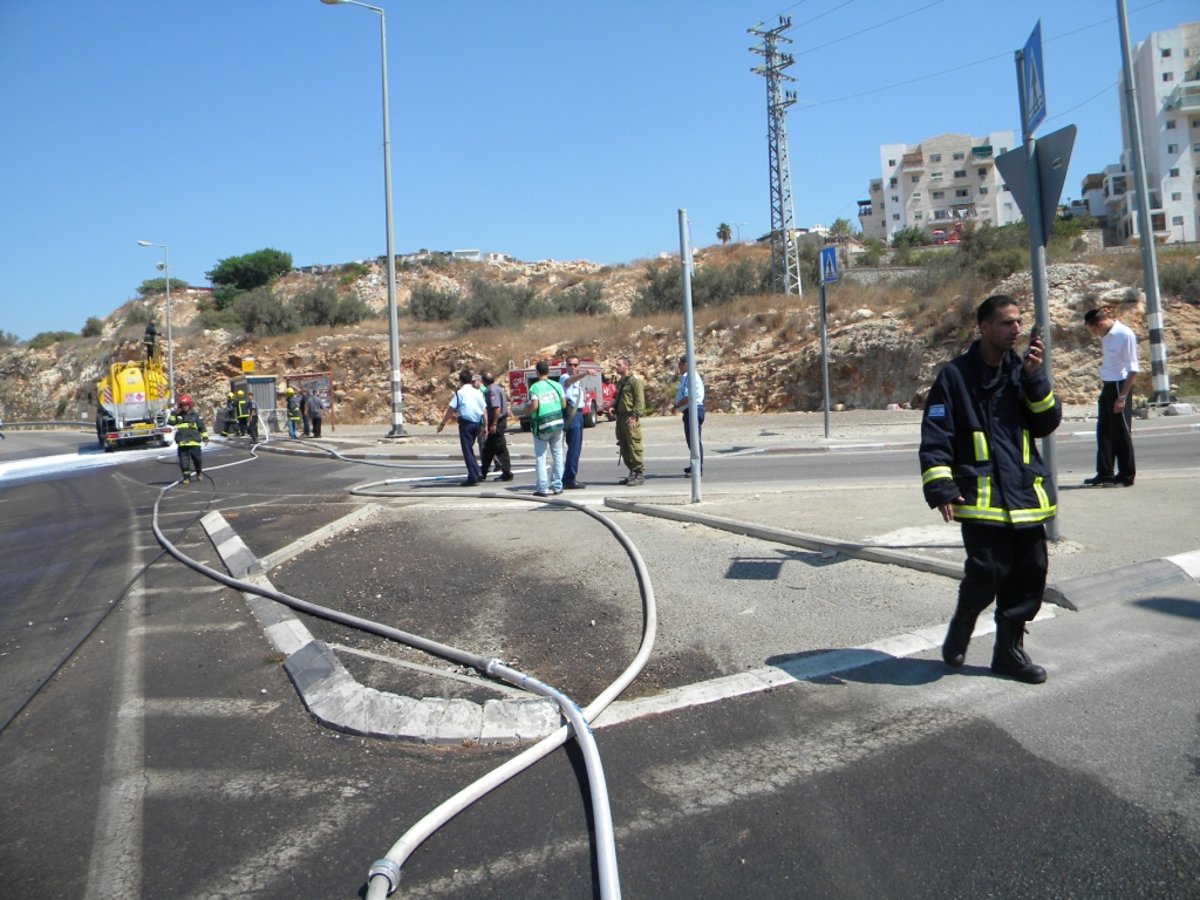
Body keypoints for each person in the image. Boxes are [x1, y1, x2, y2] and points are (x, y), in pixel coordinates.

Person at [919, 294, 1061, 684]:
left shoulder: (1022, 370)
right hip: (981, 498)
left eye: (1018, 322)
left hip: (1024, 497)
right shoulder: (955, 375)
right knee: (987, 573)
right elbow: (935, 434)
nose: (1015, 329)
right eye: (1006, 323)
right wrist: (941, 485)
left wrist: (1035, 377)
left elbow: (1046, 423)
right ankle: (964, 621)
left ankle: (1008, 655)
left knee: (1030, 575)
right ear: (984, 328)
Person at [1083, 307, 1139, 487]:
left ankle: (1126, 475)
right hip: (1108, 384)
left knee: (1121, 433)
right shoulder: (1106, 336)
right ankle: (1105, 473)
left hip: (1120, 384)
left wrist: (1122, 397)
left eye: (1093, 330)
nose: (1094, 335)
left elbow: (1133, 369)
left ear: (1100, 323)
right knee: (1104, 431)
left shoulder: (1125, 335)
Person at [436, 370, 486, 486]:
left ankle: (473, 477)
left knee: (467, 450)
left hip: (466, 424)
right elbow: (484, 410)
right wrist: (486, 425)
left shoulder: (460, 393)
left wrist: (443, 423)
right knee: (470, 449)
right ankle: (477, 472)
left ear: (461, 381)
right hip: (477, 423)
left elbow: (451, 409)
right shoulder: (478, 392)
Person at [527, 360, 566, 496]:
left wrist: (529, 410)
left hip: (542, 425)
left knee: (541, 457)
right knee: (558, 456)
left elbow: (535, 406)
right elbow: (564, 404)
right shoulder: (557, 386)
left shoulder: (534, 388)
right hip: (557, 423)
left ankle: (542, 488)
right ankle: (557, 486)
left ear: (537, 372)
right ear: (548, 371)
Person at [612, 356, 645, 486]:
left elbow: (639, 401)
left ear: (626, 366)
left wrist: (634, 416)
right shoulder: (620, 382)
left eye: (619, 364)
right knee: (624, 445)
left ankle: (639, 473)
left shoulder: (635, 381)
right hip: (620, 418)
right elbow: (620, 399)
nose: (616, 367)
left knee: (634, 445)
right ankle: (631, 471)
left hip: (630, 417)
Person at [671, 356, 705, 476]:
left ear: (685, 364)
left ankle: (697, 468)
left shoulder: (691, 377)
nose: (678, 367)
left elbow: (688, 396)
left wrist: (676, 406)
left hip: (694, 410)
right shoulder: (686, 377)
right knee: (691, 440)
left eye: (679, 364)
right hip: (690, 411)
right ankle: (694, 465)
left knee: (694, 440)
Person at [559, 355, 588, 489]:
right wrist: (585, 374)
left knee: (576, 448)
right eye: (570, 364)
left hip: (579, 414)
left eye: (575, 365)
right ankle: (569, 478)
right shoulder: (565, 377)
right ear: (566, 366)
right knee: (574, 448)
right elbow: (569, 381)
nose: (572, 367)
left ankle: (569, 476)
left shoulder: (578, 381)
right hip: (571, 414)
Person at [480, 370, 514, 482]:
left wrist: (494, 423)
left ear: (483, 381)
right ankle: (483, 472)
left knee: (500, 448)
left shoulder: (491, 390)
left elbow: (496, 408)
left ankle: (507, 473)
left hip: (497, 422)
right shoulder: (498, 388)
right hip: (497, 421)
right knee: (488, 449)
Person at [169, 394, 209, 484]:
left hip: (194, 442)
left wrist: (205, 437)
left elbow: (201, 427)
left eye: (186, 405)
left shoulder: (195, 416)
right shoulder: (178, 416)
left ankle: (198, 472)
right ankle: (186, 477)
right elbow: (170, 422)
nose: (184, 407)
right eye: (182, 405)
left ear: (189, 405)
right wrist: (173, 412)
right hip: (183, 443)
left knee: (197, 459)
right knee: (184, 461)